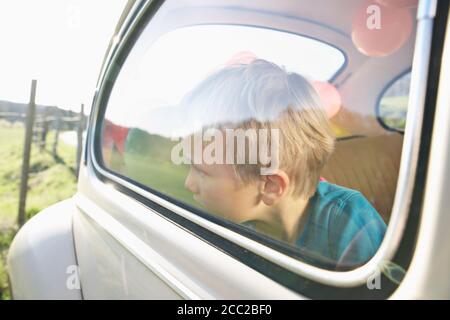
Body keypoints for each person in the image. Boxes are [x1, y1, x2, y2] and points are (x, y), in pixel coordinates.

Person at [179, 59, 386, 269]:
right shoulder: (238, 229)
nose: (189, 184)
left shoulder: (350, 223)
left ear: (270, 186)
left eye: (203, 173)